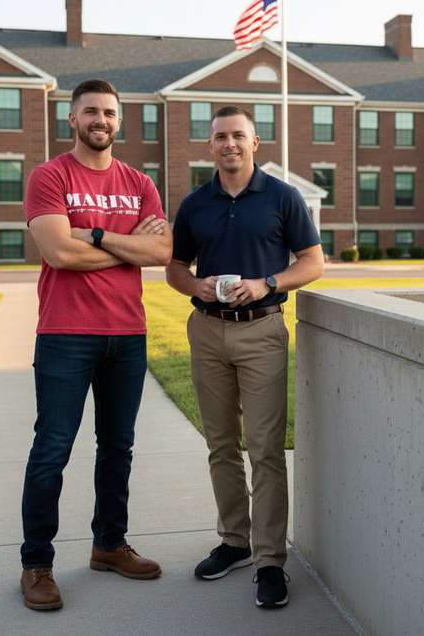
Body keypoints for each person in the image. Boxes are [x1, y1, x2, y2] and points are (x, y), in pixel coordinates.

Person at [19, 79, 172, 611]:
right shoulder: (49, 176)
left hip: (127, 335)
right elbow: (59, 255)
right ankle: (36, 563)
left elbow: (163, 252)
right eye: (90, 111)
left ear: (119, 119)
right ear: (73, 118)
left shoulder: (139, 182)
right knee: (51, 451)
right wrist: (133, 247)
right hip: (65, 334)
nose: (100, 119)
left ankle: (109, 544)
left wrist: (98, 236)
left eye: (109, 111)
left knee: (118, 448)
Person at [165, 105, 324, 608]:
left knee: (264, 448)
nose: (229, 144)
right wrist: (197, 285)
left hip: (262, 333)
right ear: (209, 146)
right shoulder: (195, 204)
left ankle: (270, 561)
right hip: (207, 332)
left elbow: (314, 263)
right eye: (220, 137)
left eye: (239, 136)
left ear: (256, 143)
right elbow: (174, 269)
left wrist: (266, 284)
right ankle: (234, 541)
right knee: (220, 444)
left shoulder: (282, 196)